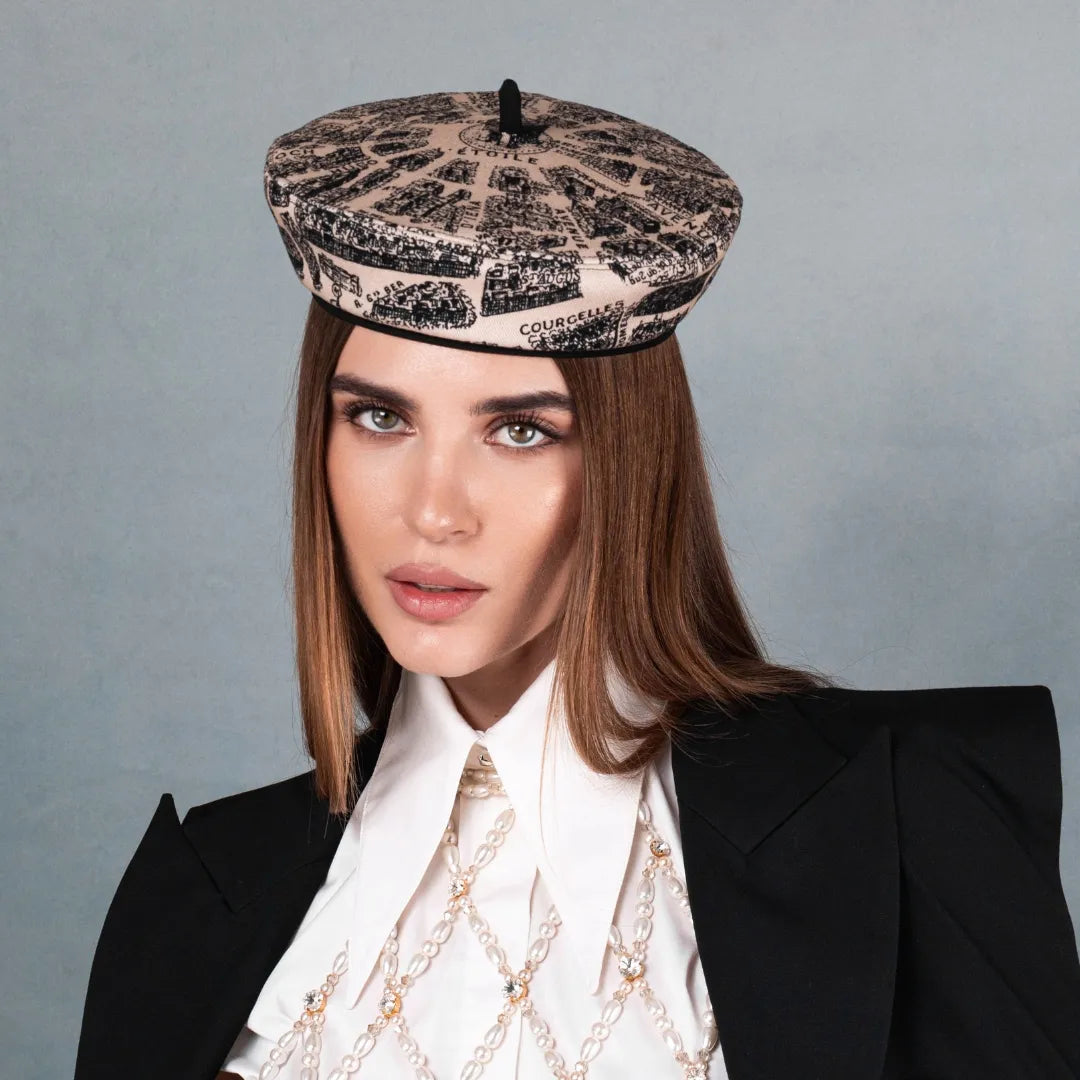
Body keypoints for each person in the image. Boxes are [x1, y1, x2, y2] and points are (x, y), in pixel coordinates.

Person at [74, 79, 1080, 1080]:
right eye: (380, 418)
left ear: (628, 462)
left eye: (520, 431)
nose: (434, 511)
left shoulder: (902, 829)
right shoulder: (205, 890)